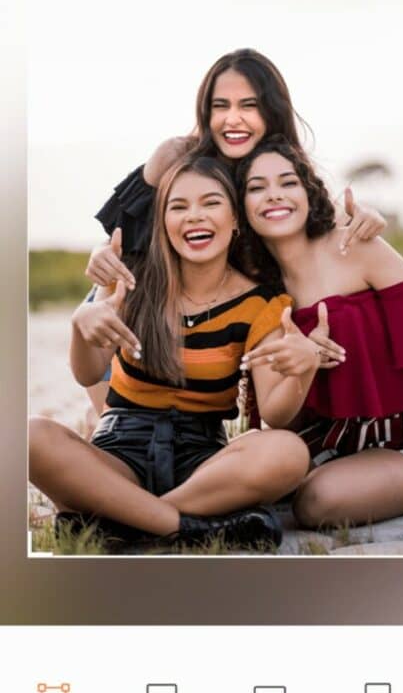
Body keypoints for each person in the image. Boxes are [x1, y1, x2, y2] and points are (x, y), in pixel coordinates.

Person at [29, 155, 319, 553]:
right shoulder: (132, 279)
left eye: (211, 203)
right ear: (162, 223)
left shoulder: (260, 304)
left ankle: (124, 520)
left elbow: (275, 413)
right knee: (29, 435)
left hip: (201, 467)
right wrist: (82, 325)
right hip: (118, 453)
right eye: (178, 207)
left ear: (236, 219)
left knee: (288, 452)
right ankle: (179, 526)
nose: (194, 217)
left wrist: (302, 370)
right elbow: (87, 372)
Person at [83, 47, 385, 418]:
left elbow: (316, 221)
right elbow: (124, 233)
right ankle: (104, 424)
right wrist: (99, 254)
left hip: (240, 300)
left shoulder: (281, 162)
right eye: (220, 106)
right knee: (103, 337)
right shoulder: (178, 155)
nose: (233, 119)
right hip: (146, 293)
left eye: (249, 105)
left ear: (271, 110)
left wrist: (365, 215)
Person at [234, 136, 403, 529]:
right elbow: (279, 418)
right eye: (257, 188)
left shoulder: (354, 246)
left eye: (288, 182)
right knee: (240, 465)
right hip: (322, 443)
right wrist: (303, 363)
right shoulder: (255, 290)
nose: (275, 195)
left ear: (308, 191)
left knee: (316, 502)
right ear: (241, 207)